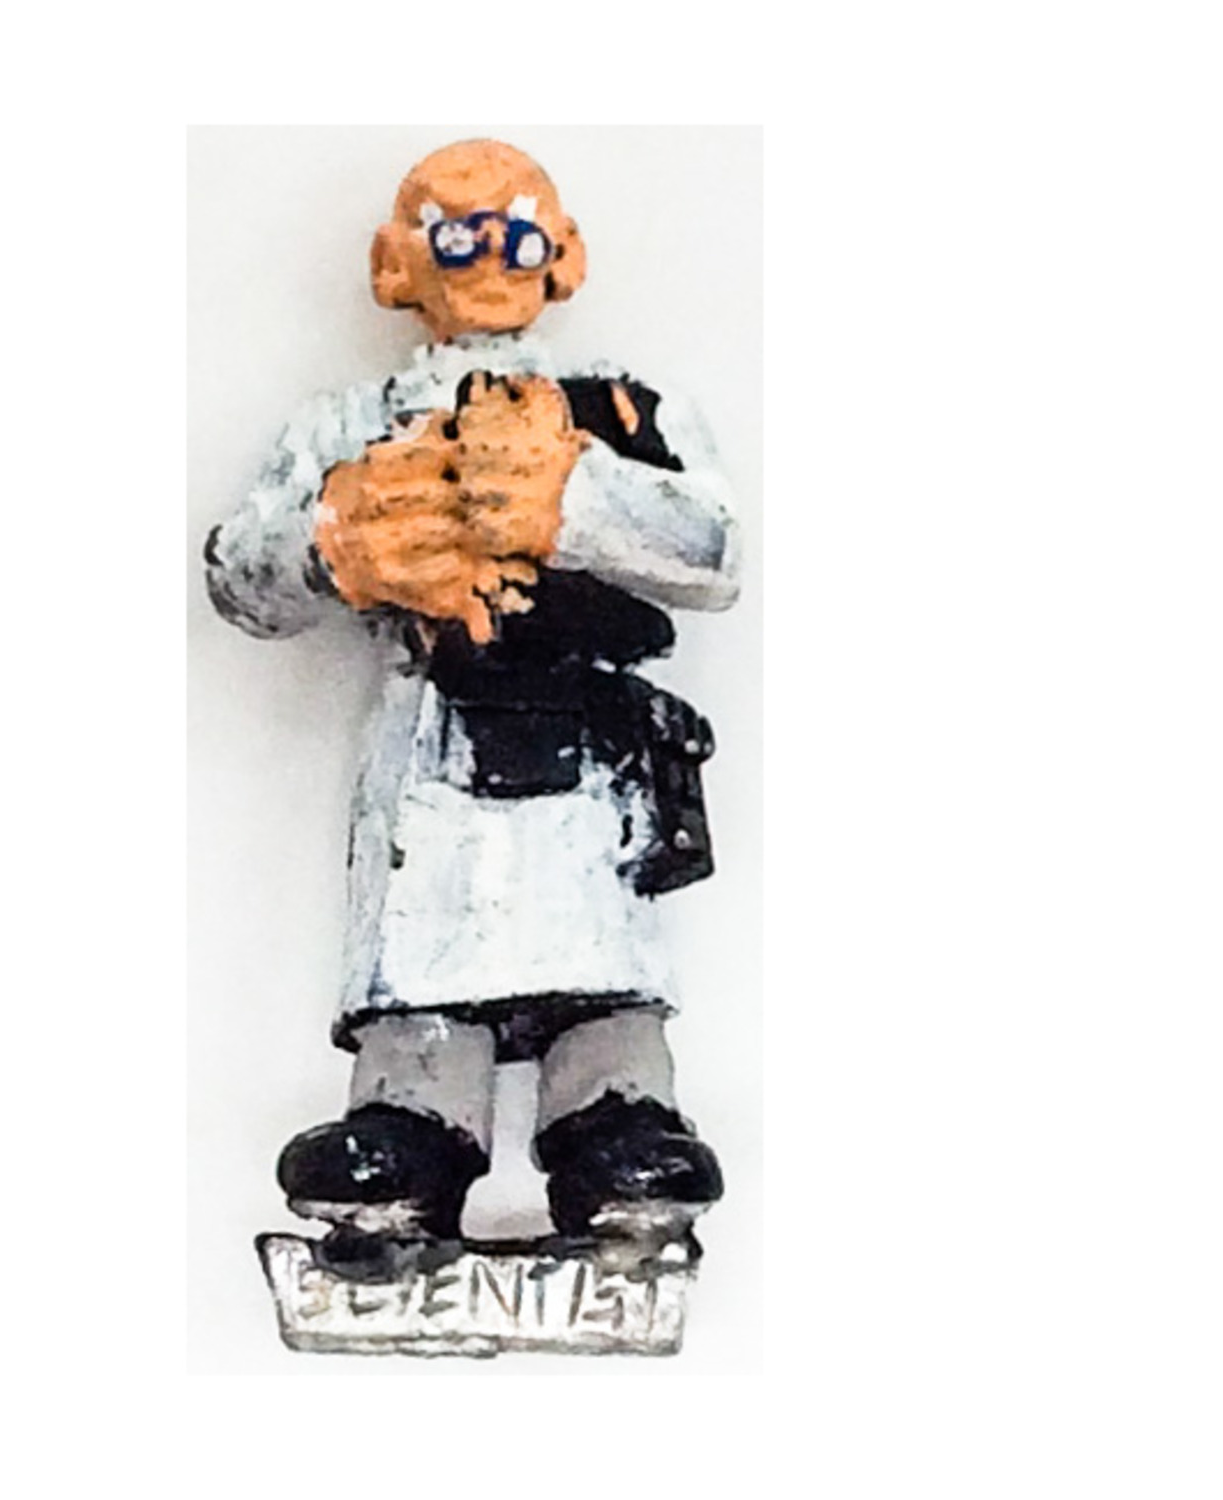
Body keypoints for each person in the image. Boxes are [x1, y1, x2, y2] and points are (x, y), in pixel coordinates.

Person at [205, 139, 741, 1271]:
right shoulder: (353, 425)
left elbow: (715, 549)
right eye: (455, 234)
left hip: (593, 755)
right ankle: (412, 1126)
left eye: (517, 232)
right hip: (433, 746)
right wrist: (338, 541)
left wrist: (573, 498)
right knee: (424, 956)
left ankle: (615, 1127)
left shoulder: (623, 412)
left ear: (564, 255)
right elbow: (241, 574)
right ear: (394, 264)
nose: (490, 257)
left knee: (601, 960)